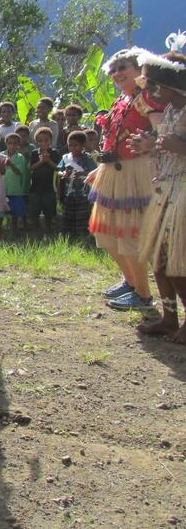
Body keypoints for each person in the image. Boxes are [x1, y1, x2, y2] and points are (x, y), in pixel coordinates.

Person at [88, 47, 165, 312]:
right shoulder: (121, 101)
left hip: (136, 172)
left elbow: (162, 131)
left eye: (123, 68)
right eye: (114, 70)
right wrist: (100, 170)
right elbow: (112, 139)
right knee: (105, 232)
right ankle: (131, 282)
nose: (117, 73)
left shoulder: (147, 97)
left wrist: (151, 143)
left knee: (129, 232)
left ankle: (143, 294)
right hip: (113, 171)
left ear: (138, 69)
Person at [129, 44, 186, 343]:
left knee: (177, 263)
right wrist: (151, 146)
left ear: (171, 83)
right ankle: (169, 318)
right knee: (160, 260)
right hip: (166, 188)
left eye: (152, 84)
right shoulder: (173, 111)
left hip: (183, 192)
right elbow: (167, 145)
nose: (149, 89)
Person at [57, 130, 97, 234]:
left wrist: (82, 173)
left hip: (83, 192)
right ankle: (68, 233)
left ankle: (81, 233)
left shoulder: (88, 158)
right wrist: (64, 174)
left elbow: (94, 172)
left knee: (82, 213)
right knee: (68, 212)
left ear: (83, 145)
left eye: (76, 145)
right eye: (70, 146)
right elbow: (59, 171)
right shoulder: (66, 158)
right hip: (69, 191)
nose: (73, 148)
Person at [28, 127, 61, 231]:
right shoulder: (34, 153)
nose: (44, 143)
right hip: (35, 187)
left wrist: (48, 160)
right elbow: (31, 167)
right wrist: (41, 161)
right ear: (37, 142)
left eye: (46, 140)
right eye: (40, 141)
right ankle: (35, 229)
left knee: (49, 210)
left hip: (50, 187)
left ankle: (48, 228)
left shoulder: (54, 152)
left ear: (51, 140)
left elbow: (58, 167)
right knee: (35, 210)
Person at [2, 132, 28, 234]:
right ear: (6, 143)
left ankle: (14, 230)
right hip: (2, 189)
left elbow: (19, 172)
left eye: (15, 144)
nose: (12, 146)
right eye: (10, 143)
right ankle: (3, 230)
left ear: (18, 145)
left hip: (15, 189)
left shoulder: (20, 157)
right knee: (2, 211)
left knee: (15, 212)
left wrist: (10, 164)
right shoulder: (1, 155)